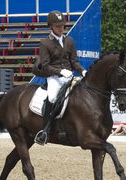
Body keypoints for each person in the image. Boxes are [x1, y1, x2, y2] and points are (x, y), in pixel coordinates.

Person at [34, 10, 87, 145]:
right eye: (58, 26)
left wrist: (83, 71)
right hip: (54, 77)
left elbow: (74, 62)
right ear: (51, 26)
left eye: (62, 25)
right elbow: (45, 66)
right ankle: (44, 131)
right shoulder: (45, 43)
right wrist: (60, 71)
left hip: (69, 76)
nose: (61, 28)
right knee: (52, 97)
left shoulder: (69, 40)